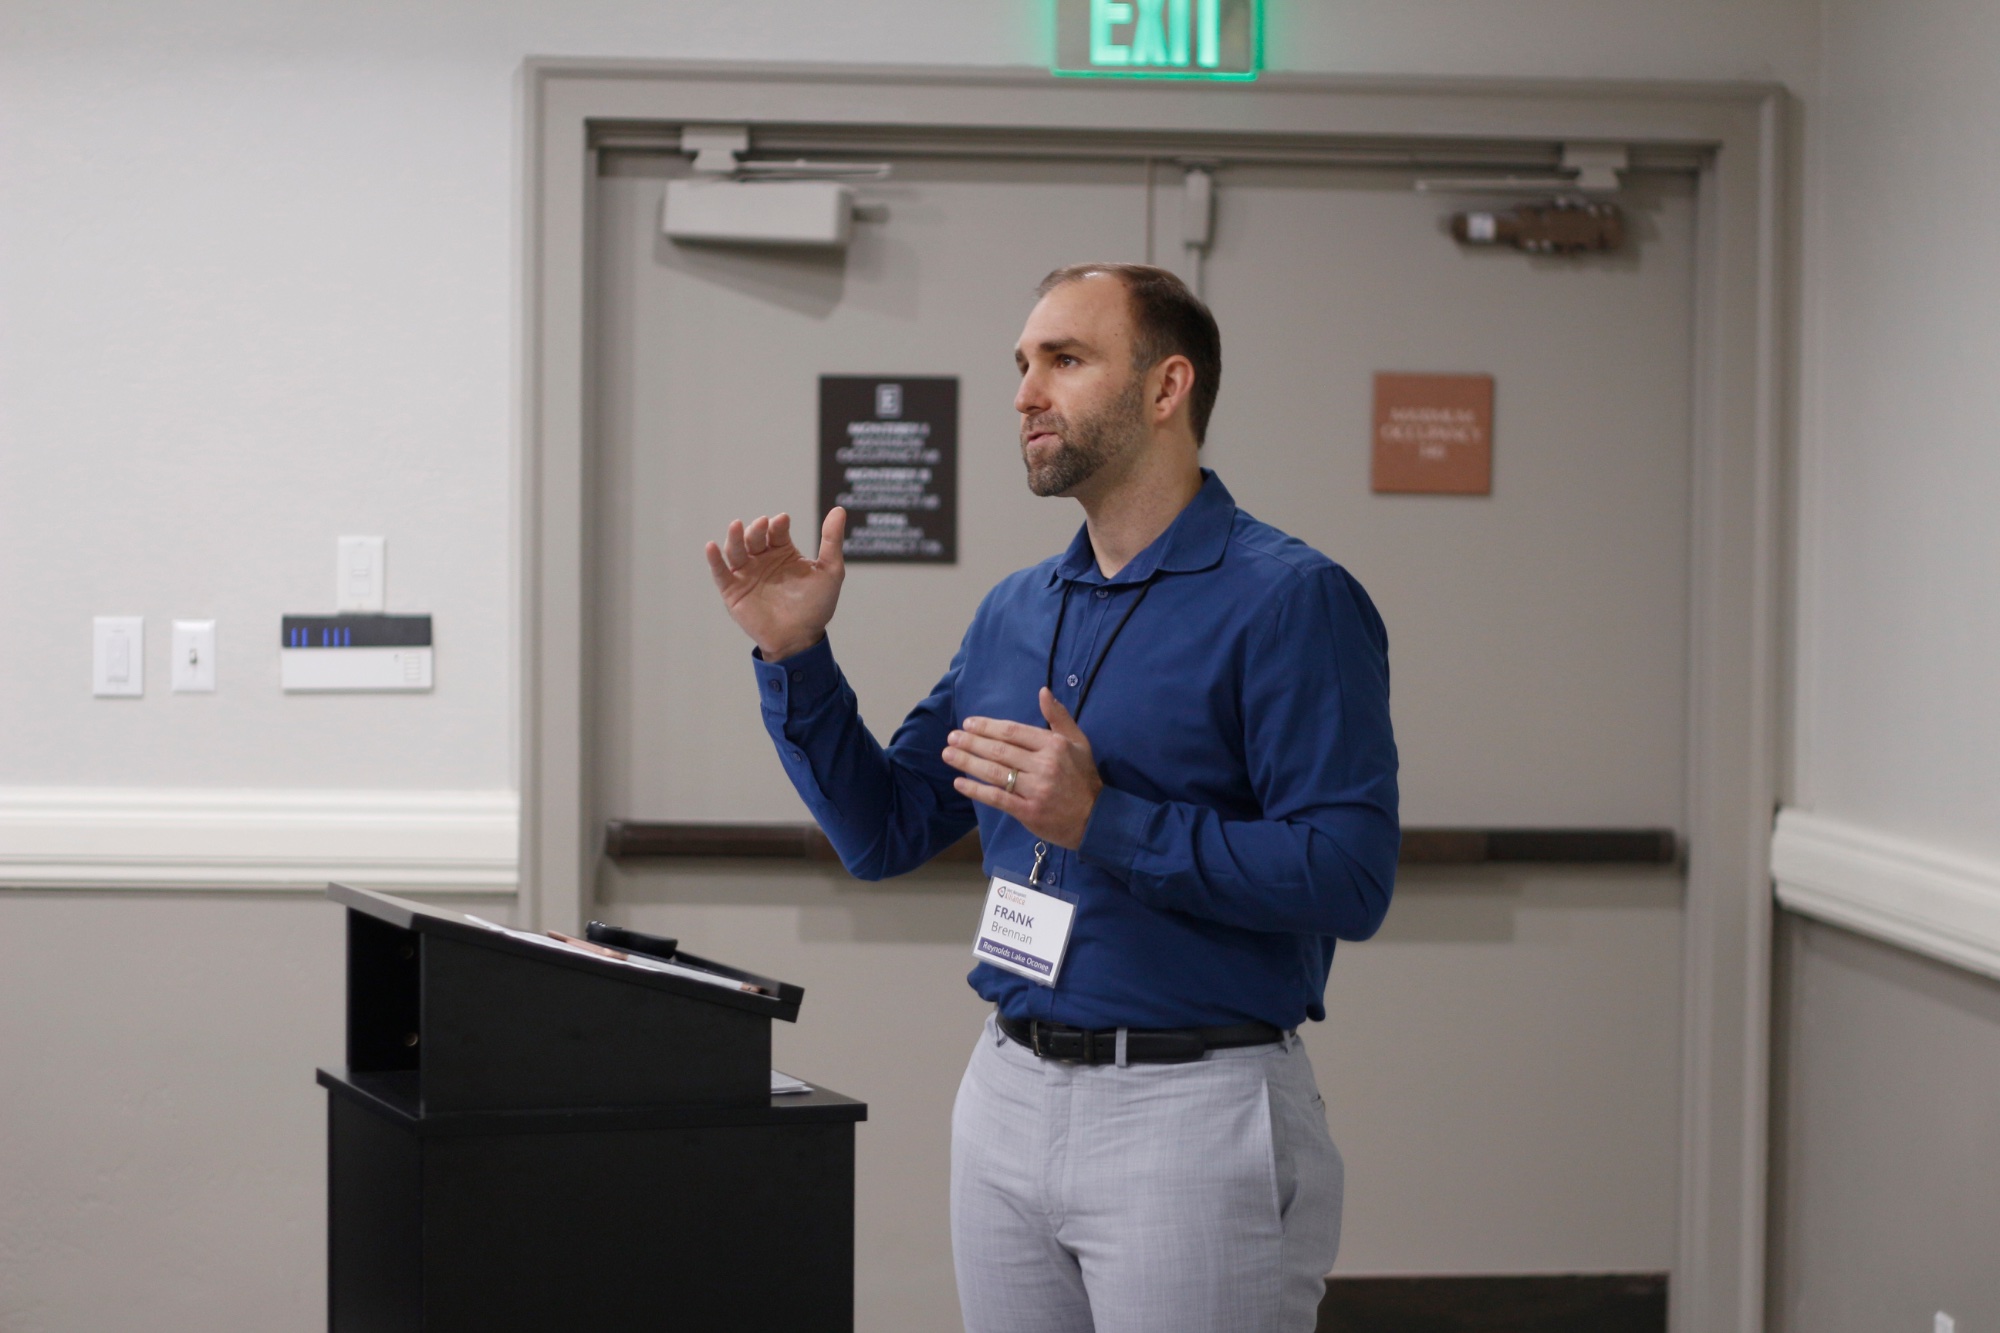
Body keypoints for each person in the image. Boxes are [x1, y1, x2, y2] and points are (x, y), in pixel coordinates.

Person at [705, 263, 1399, 1333]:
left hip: (1192, 1104)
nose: (1025, 392)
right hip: (1007, 1093)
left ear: (1166, 389)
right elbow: (884, 830)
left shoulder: (1289, 600)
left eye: (1064, 361)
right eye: (1022, 365)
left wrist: (1102, 821)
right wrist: (795, 655)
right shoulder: (1014, 611)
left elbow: (1346, 878)